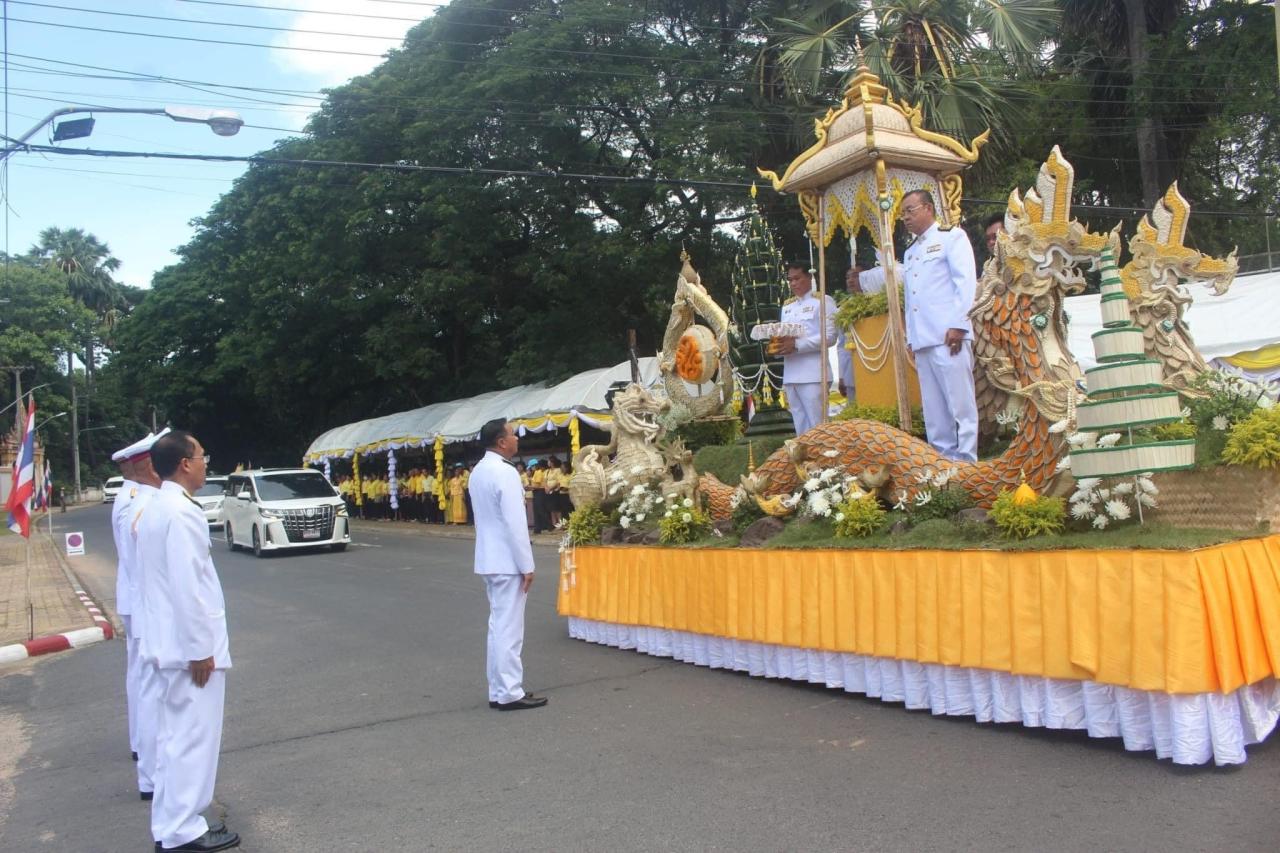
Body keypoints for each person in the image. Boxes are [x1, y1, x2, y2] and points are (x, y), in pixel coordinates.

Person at [136, 430, 240, 852]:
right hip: (188, 650)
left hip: (169, 645)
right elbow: (188, 587)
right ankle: (183, 830)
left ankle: (171, 823)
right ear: (184, 463)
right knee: (192, 740)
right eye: (201, 455)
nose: (205, 462)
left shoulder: (159, 507)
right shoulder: (179, 513)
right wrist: (201, 649)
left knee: (175, 740)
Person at [898, 189, 980, 461]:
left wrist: (959, 324)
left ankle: (967, 461)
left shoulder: (951, 237)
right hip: (923, 340)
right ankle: (942, 463)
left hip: (949, 335)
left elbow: (965, 283)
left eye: (910, 210)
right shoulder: (910, 252)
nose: (905, 217)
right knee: (934, 411)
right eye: (903, 213)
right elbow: (911, 299)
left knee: (960, 404)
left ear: (928, 208)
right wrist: (911, 337)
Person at [469, 419, 545, 711]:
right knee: (509, 630)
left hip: (490, 557)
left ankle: (499, 689)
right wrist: (527, 565)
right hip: (507, 561)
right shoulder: (505, 472)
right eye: (513, 435)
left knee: (497, 627)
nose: (517, 439)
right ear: (502, 442)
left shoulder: (478, 471)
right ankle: (510, 692)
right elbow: (516, 524)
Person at [109, 433, 147, 768]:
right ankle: (143, 742)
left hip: (135, 598)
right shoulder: (135, 501)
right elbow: (139, 562)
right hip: (140, 600)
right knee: (144, 675)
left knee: (140, 672)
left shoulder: (130, 497)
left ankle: (142, 741)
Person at [774, 261, 838, 435]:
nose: (793, 283)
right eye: (790, 280)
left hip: (813, 374)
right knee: (801, 428)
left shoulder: (822, 301)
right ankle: (804, 461)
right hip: (791, 373)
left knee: (818, 427)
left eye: (797, 278)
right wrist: (776, 348)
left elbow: (830, 336)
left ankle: (824, 460)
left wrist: (796, 345)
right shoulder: (787, 307)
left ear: (810, 277)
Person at [836, 265, 886, 401]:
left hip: (878, 364)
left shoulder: (880, 302)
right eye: (847, 277)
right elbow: (841, 345)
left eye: (856, 276)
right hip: (852, 371)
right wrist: (841, 376)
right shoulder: (843, 310)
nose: (850, 280)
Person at [516, 461, 533, 529]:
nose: (519, 468)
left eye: (521, 467)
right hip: (516, 494)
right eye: (518, 467)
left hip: (523, 493)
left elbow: (526, 485)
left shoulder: (525, 475)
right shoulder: (515, 474)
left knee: (525, 509)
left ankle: (528, 523)